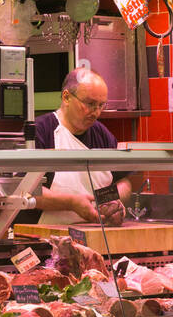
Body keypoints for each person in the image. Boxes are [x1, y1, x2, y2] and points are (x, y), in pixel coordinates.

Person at [19, 67, 140, 226]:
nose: (96, 112)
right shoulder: (41, 131)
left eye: (101, 105)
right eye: (90, 104)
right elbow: (23, 190)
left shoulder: (102, 134)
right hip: (46, 238)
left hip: (94, 235)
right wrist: (72, 203)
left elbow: (124, 181)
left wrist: (109, 201)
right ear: (67, 97)